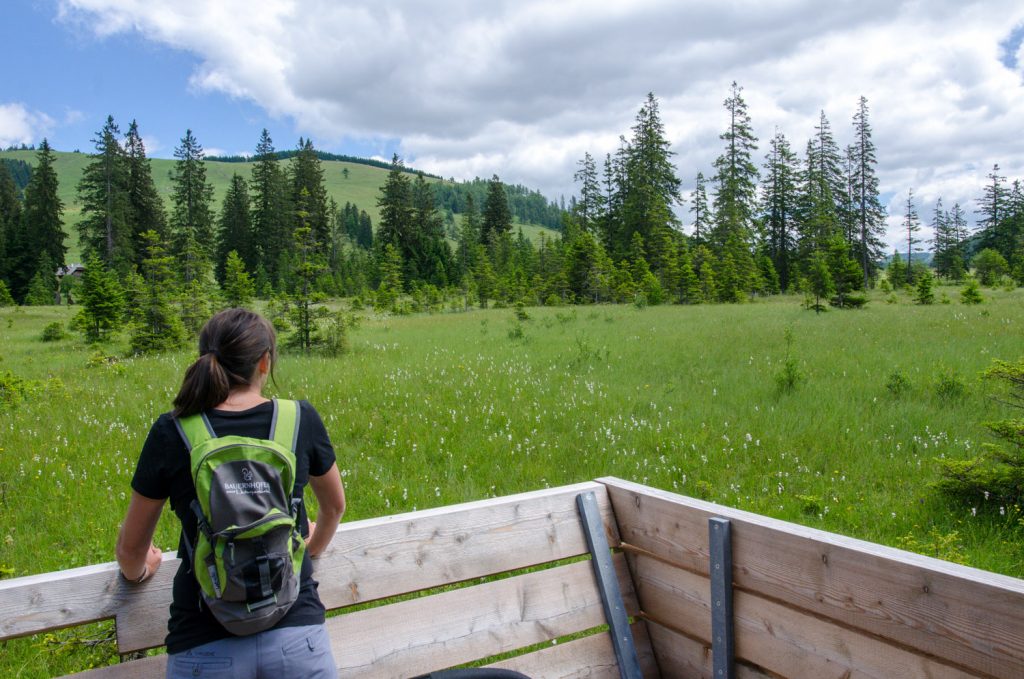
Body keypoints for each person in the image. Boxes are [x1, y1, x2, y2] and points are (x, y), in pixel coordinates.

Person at [116, 308, 345, 678]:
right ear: (265, 363)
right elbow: (334, 507)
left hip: (204, 643)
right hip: (296, 634)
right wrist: (310, 547)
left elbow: (130, 550)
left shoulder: (172, 431)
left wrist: (142, 570)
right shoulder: (299, 419)